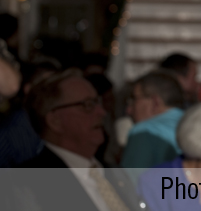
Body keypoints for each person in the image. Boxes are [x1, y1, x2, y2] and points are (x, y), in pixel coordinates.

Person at [3, 69, 144, 211]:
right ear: (55, 120)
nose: (101, 112)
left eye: (98, 102)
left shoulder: (114, 174)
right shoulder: (25, 183)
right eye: (87, 105)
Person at [121, 70, 185, 180]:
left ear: (155, 102)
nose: (129, 110)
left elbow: (130, 188)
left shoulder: (145, 131)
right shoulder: (198, 126)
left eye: (134, 99)